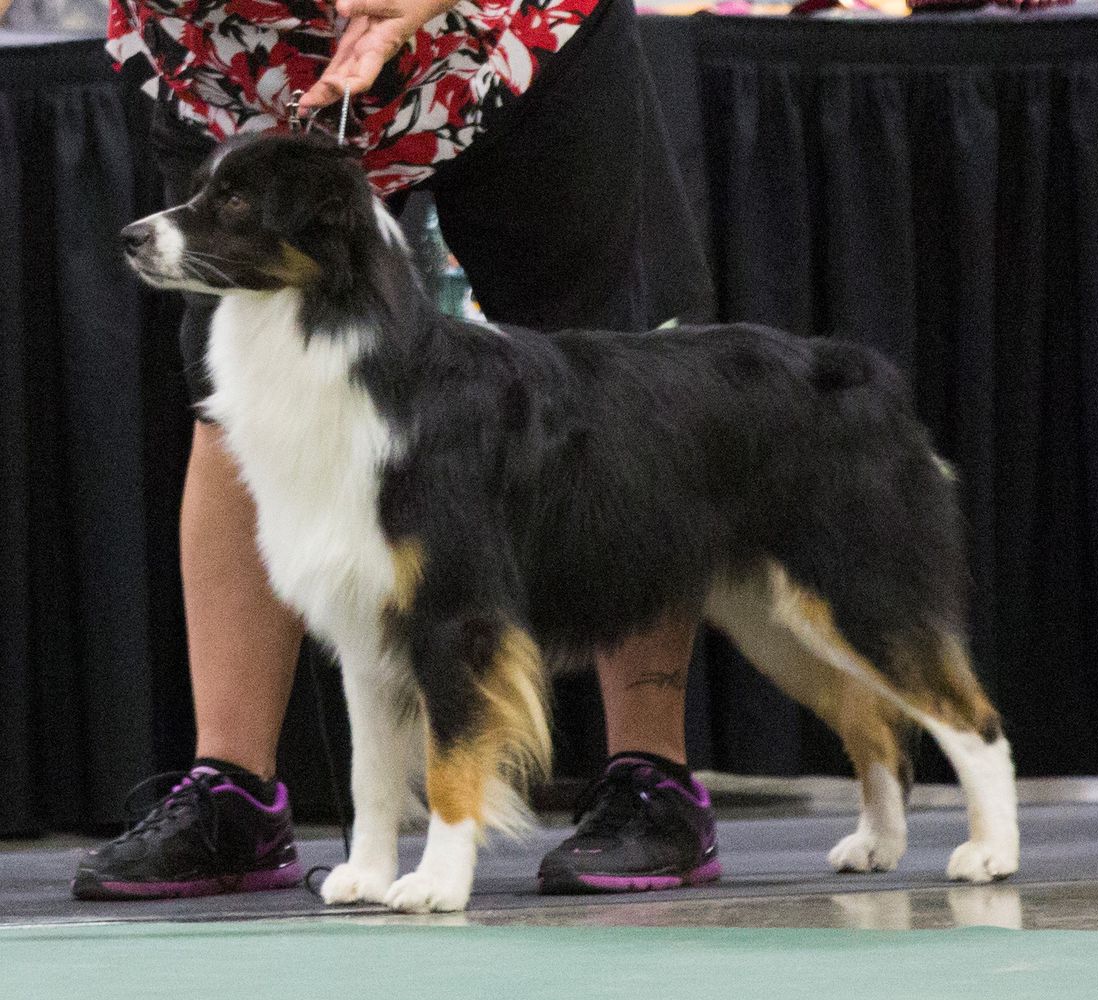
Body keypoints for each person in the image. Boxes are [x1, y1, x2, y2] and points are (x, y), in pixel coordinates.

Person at [73, 0, 718, 900]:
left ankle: (652, 775)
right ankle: (232, 789)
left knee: (612, 374)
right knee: (229, 404)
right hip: (245, 66)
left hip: (502, 37)